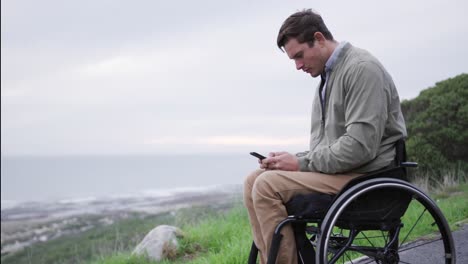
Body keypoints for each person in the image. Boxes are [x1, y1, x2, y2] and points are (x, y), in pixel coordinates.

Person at [243, 9, 407, 264]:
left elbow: (359, 148)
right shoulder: (328, 78)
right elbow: (329, 147)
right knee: (254, 180)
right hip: (343, 171)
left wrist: (300, 164)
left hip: (367, 175)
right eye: (293, 60)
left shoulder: (361, 69)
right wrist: (291, 160)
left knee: (266, 186)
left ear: (319, 38)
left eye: (299, 56)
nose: (298, 66)